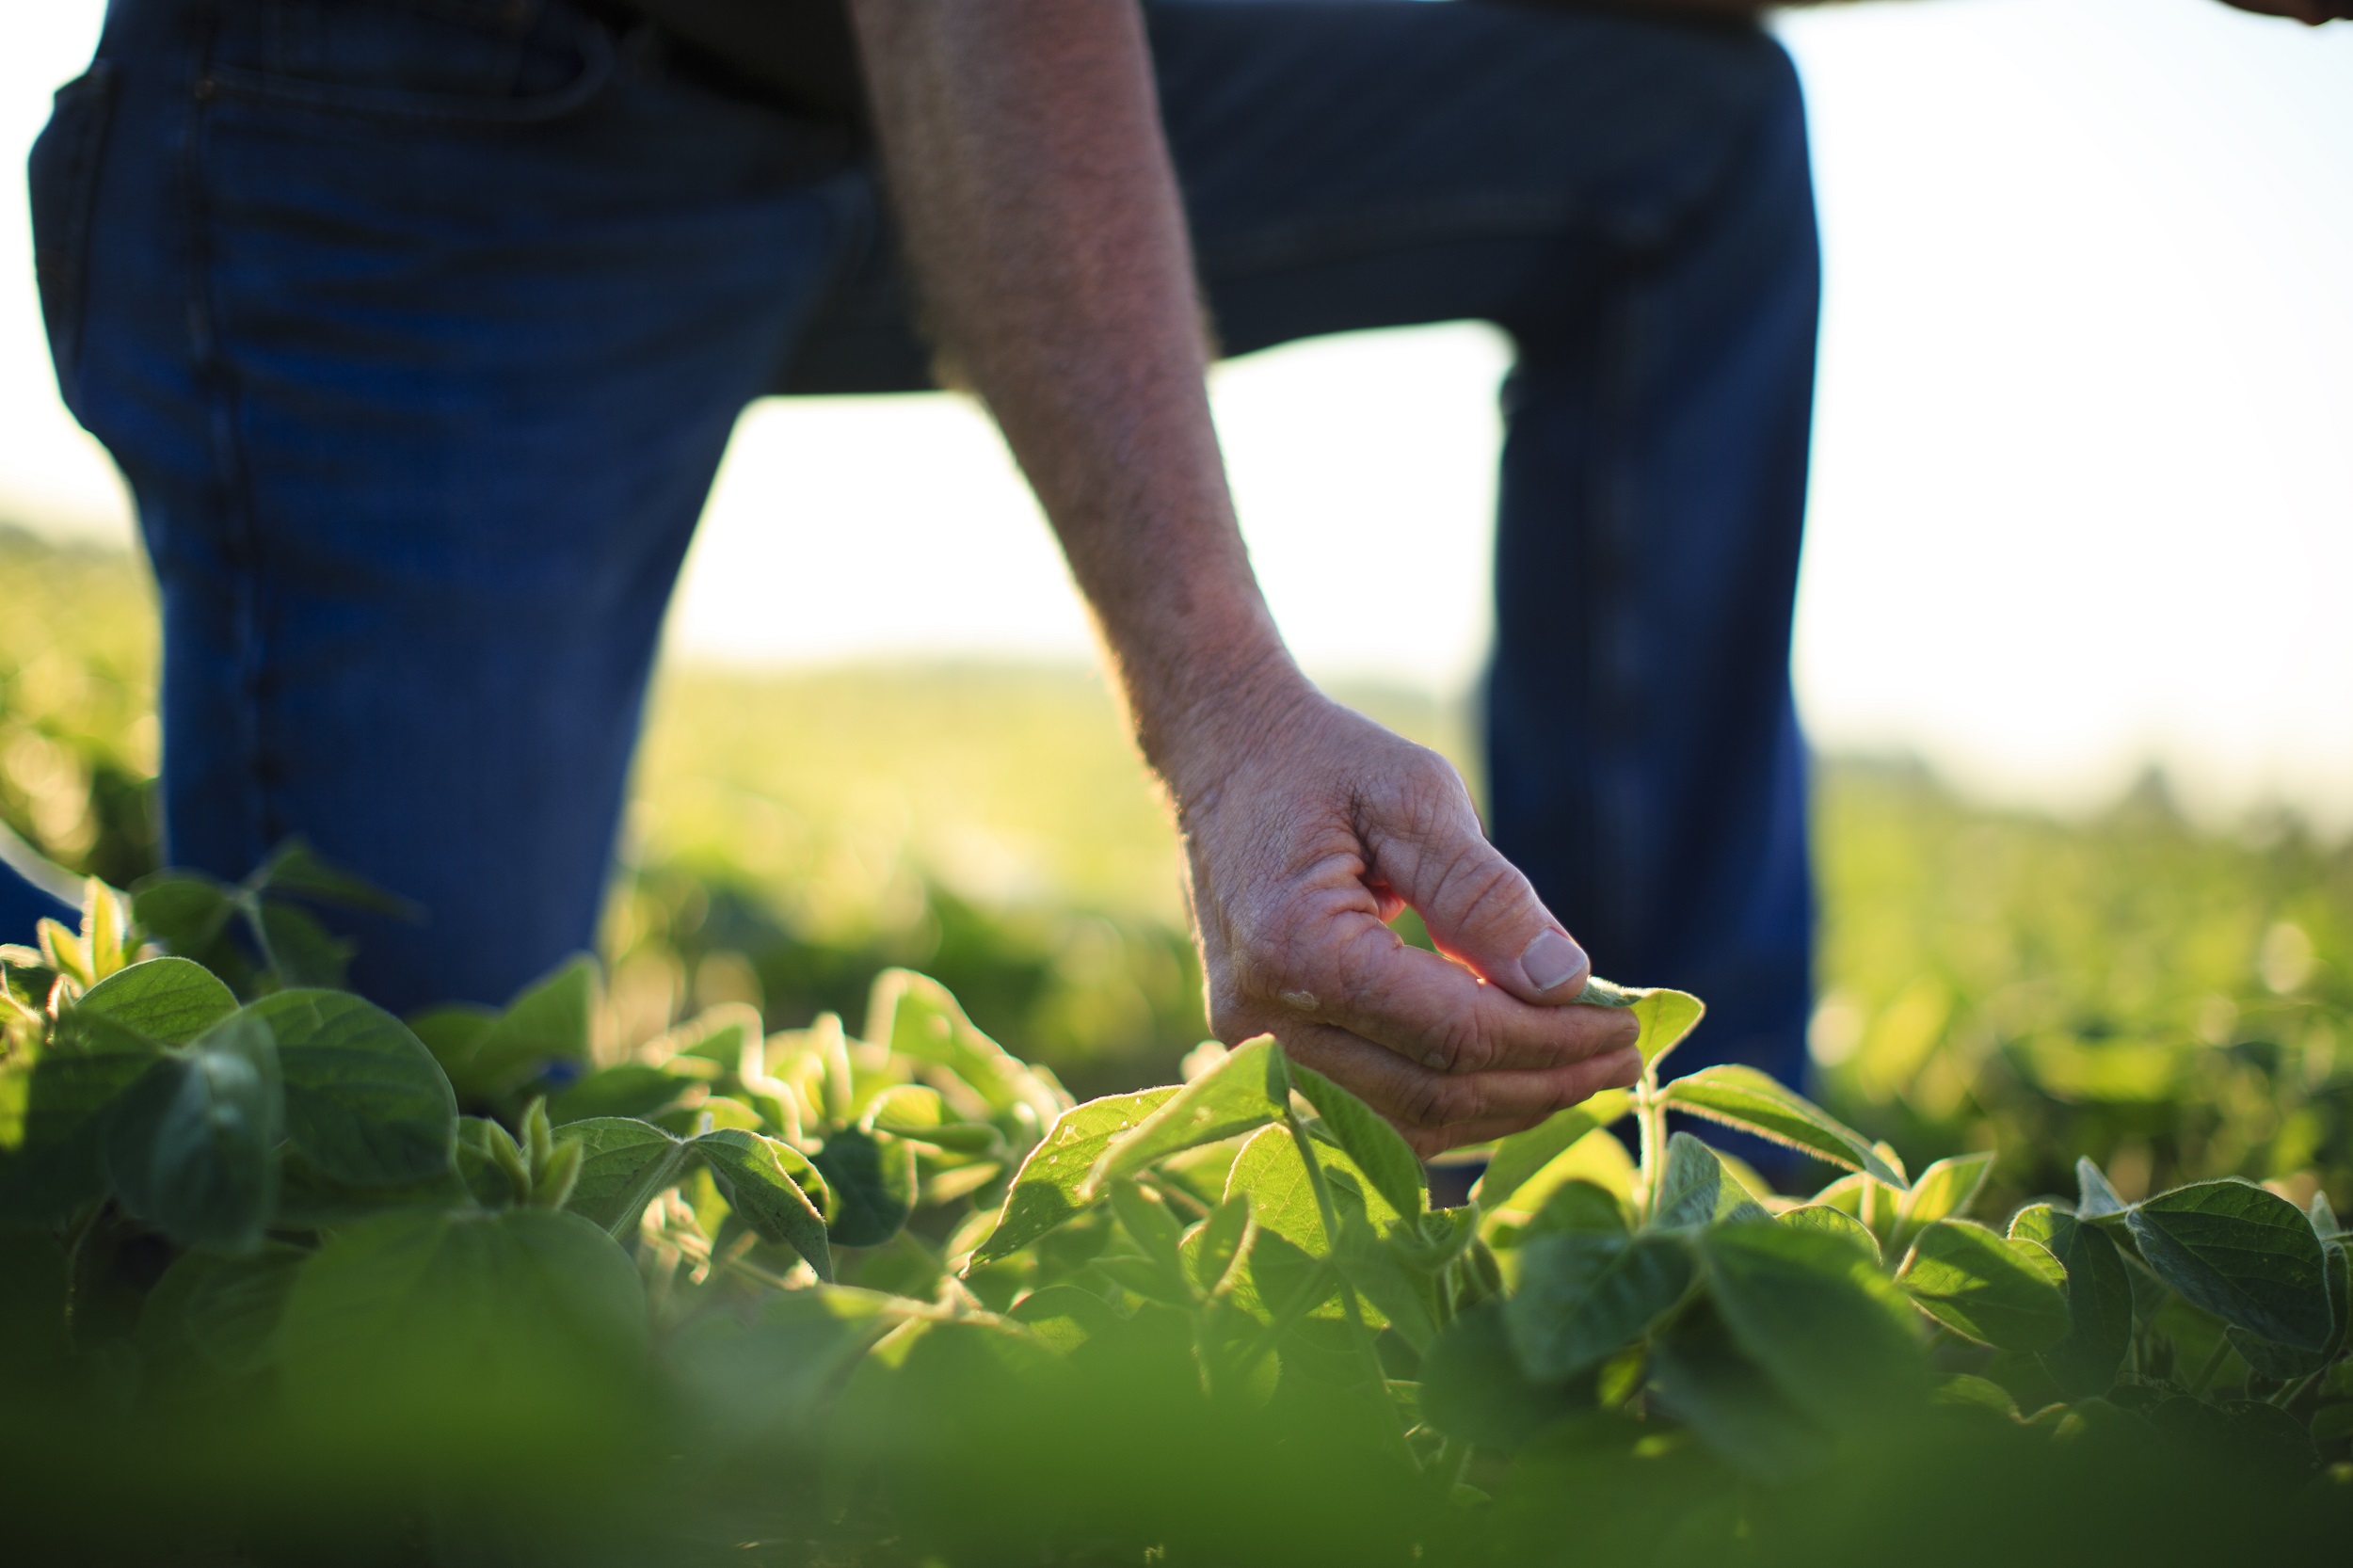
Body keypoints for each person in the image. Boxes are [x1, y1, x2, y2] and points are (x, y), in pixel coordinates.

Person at [14, 0, 2343, 1156]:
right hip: (437, 108)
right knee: (375, 1152)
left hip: (877, 100)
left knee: (1677, 126)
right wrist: (1225, 694)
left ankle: (1655, 1156)